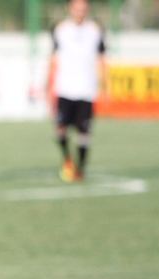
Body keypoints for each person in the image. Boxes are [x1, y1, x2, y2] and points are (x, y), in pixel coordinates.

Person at [46, 0, 107, 183]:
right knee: (60, 129)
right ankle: (67, 158)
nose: (80, 11)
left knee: (84, 132)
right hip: (65, 88)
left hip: (86, 89)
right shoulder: (60, 30)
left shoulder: (95, 30)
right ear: (70, 9)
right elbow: (53, 58)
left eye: (83, 8)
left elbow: (102, 58)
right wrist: (48, 86)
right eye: (77, 7)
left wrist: (105, 85)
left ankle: (80, 168)